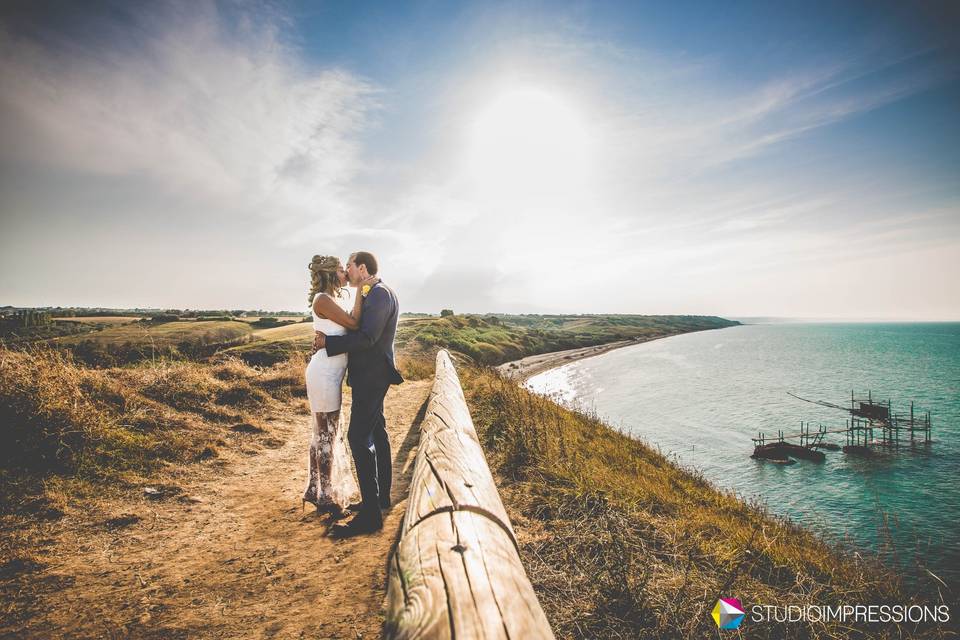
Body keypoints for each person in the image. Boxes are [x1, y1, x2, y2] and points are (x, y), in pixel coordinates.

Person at [313, 251, 404, 537]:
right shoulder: (373, 292)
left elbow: (367, 338)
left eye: (349, 266)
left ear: (361, 268)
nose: (347, 271)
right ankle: (378, 500)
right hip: (369, 375)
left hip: (372, 375)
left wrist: (329, 341)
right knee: (377, 433)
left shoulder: (379, 294)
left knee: (357, 436)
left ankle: (370, 517)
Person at [301, 255, 376, 516]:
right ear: (332, 273)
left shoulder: (332, 300)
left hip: (331, 373)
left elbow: (349, 329)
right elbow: (354, 323)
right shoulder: (322, 299)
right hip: (323, 373)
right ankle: (325, 495)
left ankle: (314, 489)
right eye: (343, 270)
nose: (346, 273)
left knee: (323, 433)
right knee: (326, 435)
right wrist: (361, 290)